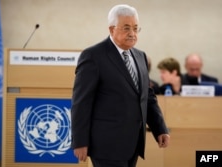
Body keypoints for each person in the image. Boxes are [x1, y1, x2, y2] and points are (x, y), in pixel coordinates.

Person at [71, 4, 170, 167]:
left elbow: (147, 97)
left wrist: (160, 128)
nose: (132, 33)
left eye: (136, 28)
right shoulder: (93, 56)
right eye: (126, 28)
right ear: (112, 29)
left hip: (133, 144)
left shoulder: (141, 57)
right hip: (105, 145)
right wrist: (79, 141)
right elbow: (81, 102)